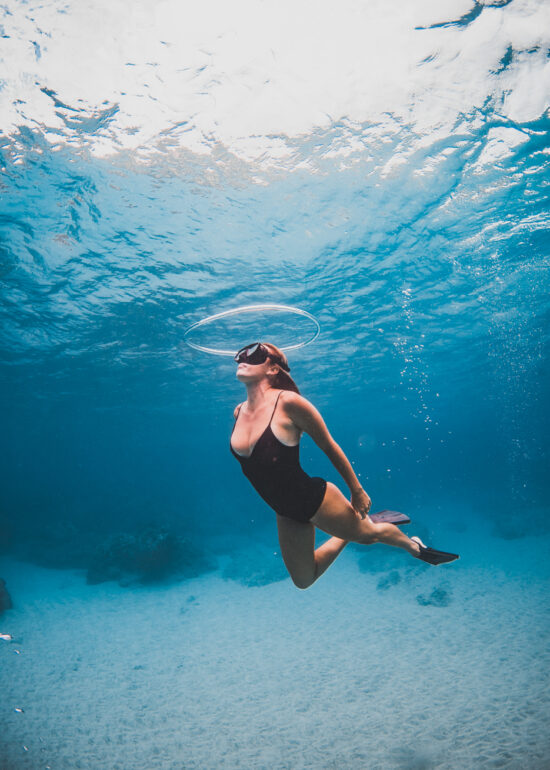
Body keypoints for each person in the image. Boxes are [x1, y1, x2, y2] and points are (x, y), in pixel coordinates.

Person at [230, 341, 458, 589]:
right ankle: (351, 528)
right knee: (303, 580)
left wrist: (357, 491)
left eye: (256, 355)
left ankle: (415, 547)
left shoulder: (289, 403)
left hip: (313, 499)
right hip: (284, 510)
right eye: (241, 355)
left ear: (273, 369)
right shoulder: (239, 411)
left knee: (370, 536)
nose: (243, 358)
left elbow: (329, 445)